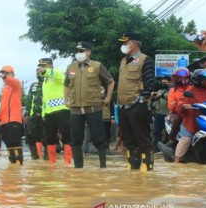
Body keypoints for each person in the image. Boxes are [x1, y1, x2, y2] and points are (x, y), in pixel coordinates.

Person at [64, 42, 115, 168]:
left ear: (89, 52)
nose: (79, 53)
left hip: (93, 108)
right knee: (75, 140)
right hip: (75, 109)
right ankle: (78, 168)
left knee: (99, 140)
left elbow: (111, 81)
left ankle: (103, 167)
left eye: (82, 51)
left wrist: (108, 97)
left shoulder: (97, 66)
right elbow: (66, 85)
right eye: (77, 51)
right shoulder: (71, 67)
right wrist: (65, 100)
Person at [117, 32, 155, 171]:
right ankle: (132, 164)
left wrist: (141, 100)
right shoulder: (123, 61)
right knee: (127, 138)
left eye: (125, 42)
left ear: (134, 43)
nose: (123, 45)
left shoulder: (146, 60)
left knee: (142, 137)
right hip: (122, 105)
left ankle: (147, 165)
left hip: (137, 104)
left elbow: (149, 83)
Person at [174, 69, 206, 163]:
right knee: (186, 139)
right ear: (199, 80)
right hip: (191, 120)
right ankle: (175, 163)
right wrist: (183, 105)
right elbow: (180, 101)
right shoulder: (190, 90)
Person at [38, 58, 72, 164]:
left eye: (44, 65)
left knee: (66, 136)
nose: (42, 67)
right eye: (40, 65)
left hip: (62, 110)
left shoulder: (57, 72)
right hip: (50, 113)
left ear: (51, 65)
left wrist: (44, 71)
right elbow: (45, 98)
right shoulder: (45, 81)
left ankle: (68, 162)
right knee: (50, 138)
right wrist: (44, 112)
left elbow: (51, 72)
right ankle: (52, 163)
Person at [0, 65, 23, 165]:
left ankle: (18, 165)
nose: (3, 75)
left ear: (11, 74)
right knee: (8, 143)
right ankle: (12, 164)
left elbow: (12, 81)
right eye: (3, 73)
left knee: (15, 142)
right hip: (4, 121)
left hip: (14, 120)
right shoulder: (5, 89)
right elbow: (3, 106)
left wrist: (3, 77)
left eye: (5, 73)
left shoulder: (17, 84)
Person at [24, 67, 47, 160]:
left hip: (46, 115)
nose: (38, 73)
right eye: (36, 71)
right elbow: (29, 99)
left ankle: (47, 159)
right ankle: (35, 158)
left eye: (40, 71)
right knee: (29, 135)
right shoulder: (33, 85)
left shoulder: (49, 84)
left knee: (47, 138)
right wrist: (26, 114)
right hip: (34, 116)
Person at [151, 76, 172, 152]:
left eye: (165, 83)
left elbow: (170, 98)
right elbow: (155, 98)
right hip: (159, 114)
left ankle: (169, 148)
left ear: (170, 82)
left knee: (169, 133)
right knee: (156, 132)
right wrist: (154, 94)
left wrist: (162, 95)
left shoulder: (172, 91)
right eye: (162, 83)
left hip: (168, 115)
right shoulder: (160, 90)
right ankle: (156, 149)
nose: (163, 84)